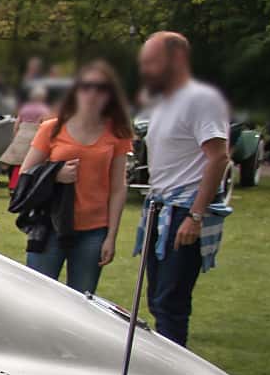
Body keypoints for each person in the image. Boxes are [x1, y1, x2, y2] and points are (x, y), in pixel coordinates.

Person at [135, 31, 231, 348]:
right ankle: (160, 360)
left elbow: (219, 157)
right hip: (159, 209)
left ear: (176, 59)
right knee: (156, 298)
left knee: (171, 303)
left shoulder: (202, 100)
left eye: (152, 61)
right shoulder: (162, 103)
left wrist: (196, 215)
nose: (146, 68)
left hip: (182, 211)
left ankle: (170, 373)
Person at [14, 60, 135, 293]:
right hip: (49, 226)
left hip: (93, 231)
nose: (93, 93)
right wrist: (55, 175)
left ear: (110, 94)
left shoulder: (117, 133)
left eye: (101, 88)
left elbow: (118, 187)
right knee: (37, 297)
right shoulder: (52, 128)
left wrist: (111, 236)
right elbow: (26, 174)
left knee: (81, 303)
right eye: (86, 86)